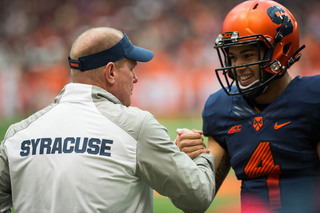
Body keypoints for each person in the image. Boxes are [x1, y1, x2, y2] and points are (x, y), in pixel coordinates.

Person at [0, 27, 215, 213]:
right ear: (110, 72)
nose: (135, 78)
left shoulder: (17, 135)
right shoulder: (136, 127)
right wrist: (198, 157)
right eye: (131, 69)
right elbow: (197, 198)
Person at [177, 0, 320, 212]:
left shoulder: (312, 98)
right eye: (232, 57)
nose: (238, 67)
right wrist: (182, 162)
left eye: (247, 55)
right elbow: (196, 200)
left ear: (280, 50)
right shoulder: (221, 108)